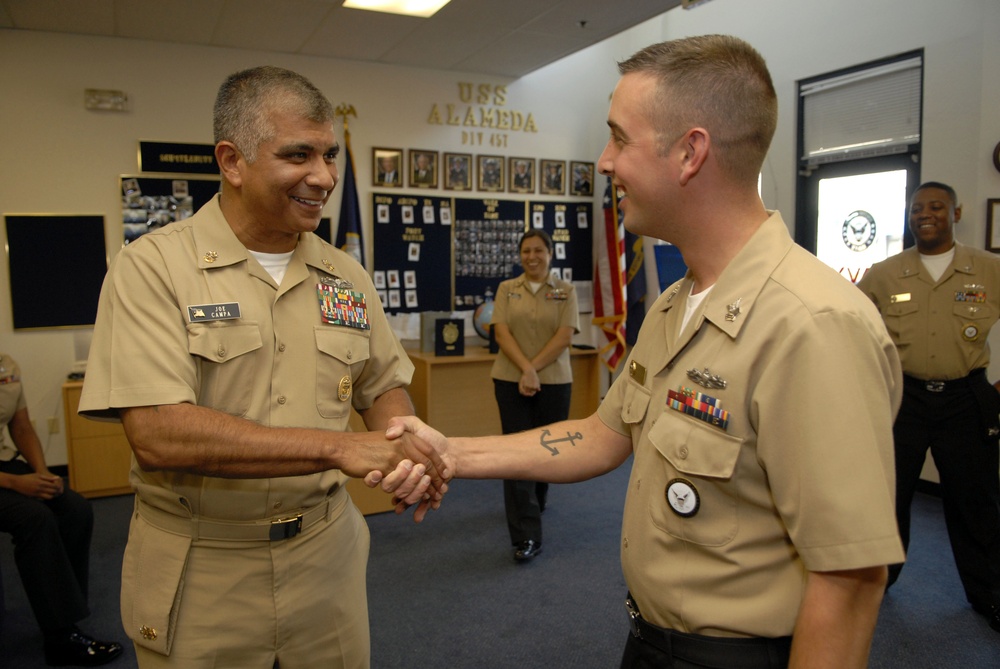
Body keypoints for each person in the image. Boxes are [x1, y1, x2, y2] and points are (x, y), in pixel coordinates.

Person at [378, 35, 904, 668]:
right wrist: (450, 452)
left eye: (619, 138)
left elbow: (849, 582)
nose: (604, 162)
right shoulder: (673, 306)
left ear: (690, 152)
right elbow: (602, 438)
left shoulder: (812, 324)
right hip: (653, 641)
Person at [78, 66, 447, 668]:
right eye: (297, 155)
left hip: (326, 558)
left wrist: (403, 444)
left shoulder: (345, 275)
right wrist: (338, 449)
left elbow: (383, 386)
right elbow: (159, 434)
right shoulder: (153, 268)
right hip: (206, 569)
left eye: (328, 154)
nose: (323, 176)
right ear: (232, 160)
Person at [857, 181, 1000, 633]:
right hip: (904, 399)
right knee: (888, 498)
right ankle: (878, 581)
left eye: (937, 206)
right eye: (917, 208)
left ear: (955, 214)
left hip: (967, 398)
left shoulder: (988, 268)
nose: (926, 214)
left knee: (974, 502)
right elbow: (849, 328)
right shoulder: (884, 272)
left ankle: (988, 595)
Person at [0, 353, 123, 666]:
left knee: (75, 508)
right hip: (5, 479)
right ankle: (60, 636)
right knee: (35, 518)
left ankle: (64, 610)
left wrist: (42, 473)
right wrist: (15, 483)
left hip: (7, 464)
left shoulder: (7, 365)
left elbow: (22, 426)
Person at [491, 229, 579, 561]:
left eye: (538, 250)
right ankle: (526, 536)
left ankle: (536, 500)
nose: (531, 256)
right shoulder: (506, 290)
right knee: (516, 454)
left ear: (550, 253)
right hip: (509, 380)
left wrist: (533, 370)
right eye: (526, 251)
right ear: (520, 255)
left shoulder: (565, 291)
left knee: (547, 450)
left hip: (554, 382)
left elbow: (564, 336)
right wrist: (524, 370)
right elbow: (501, 332)